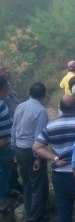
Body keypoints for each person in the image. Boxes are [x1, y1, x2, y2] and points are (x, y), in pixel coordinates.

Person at [32, 95, 75, 222]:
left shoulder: (51, 126)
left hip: (60, 174)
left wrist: (55, 158)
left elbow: (36, 147)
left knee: (64, 211)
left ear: (61, 108)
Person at [12, 82, 49, 222]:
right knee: (38, 186)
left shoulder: (20, 106)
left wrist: (14, 151)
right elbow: (39, 137)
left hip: (19, 150)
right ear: (43, 95)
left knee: (27, 184)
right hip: (32, 152)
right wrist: (39, 158)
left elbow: (14, 128)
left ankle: (29, 214)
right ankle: (35, 218)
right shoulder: (40, 111)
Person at [0, 77, 14, 213]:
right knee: (2, 173)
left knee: (6, 172)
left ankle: (6, 195)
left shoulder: (2, 101)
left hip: (7, 144)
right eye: (6, 85)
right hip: (2, 146)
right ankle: (1, 203)